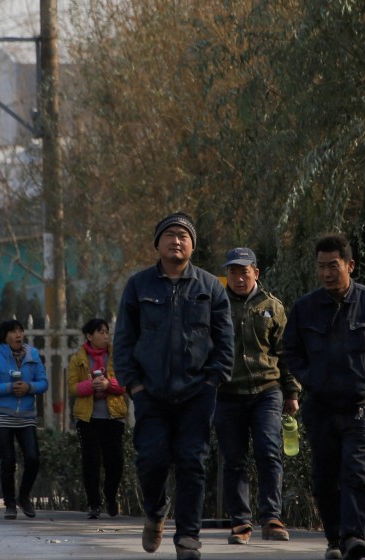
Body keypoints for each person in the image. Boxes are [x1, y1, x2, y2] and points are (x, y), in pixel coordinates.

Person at [113, 212, 234, 560]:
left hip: (197, 393)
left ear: (193, 245)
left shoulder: (211, 287)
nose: (176, 241)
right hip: (149, 392)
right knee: (151, 460)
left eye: (183, 235)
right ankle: (155, 511)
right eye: (169, 235)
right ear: (158, 244)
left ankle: (188, 538)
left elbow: (225, 341)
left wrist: (213, 381)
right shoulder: (139, 286)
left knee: (192, 463)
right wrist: (133, 385)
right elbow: (124, 341)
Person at [283, 234, 365, 560]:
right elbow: (291, 350)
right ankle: (334, 538)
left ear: (349, 265)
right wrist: (308, 379)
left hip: (359, 407)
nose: (326, 274)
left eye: (332, 266)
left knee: (356, 471)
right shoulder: (305, 308)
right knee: (324, 478)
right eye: (321, 267)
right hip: (320, 407)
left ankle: (353, 537)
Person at [213, 246, 301, 545]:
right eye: (233, 272)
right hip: (227, 393)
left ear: (256, 273)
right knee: (234, 459)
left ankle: (272, 517)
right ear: (227, 275)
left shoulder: (272, 306)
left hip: (267, 391)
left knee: (268, 451)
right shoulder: (216, 306)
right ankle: (241, 522)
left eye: (244, 271)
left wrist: (292, 392)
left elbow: (285, 352)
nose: (239, 278)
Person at [0, 319, 49, 520]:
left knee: (33, 458)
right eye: (13, 331)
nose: (18, 334)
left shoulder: (33, 355)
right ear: (4, 336)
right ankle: (9, 503)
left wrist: (29, 387)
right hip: (1, 415)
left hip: (26, 415)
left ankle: (24, 495)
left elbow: (43, 382)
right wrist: (9, 388)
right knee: (8, 460)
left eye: (20, 330)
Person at [67, 317, 127, 519]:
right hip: (88, 418)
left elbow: (125, 383)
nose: (104, 336)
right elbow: (72, 387)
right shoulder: (78, 359)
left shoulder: (116, 356)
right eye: (100, 332)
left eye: (106, 332)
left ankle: (110, 496)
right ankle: (94, 503)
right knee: (91, 461)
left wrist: (109, 385)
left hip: (113, 416)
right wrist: (89, 386)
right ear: (89, 336)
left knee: (115, 461)